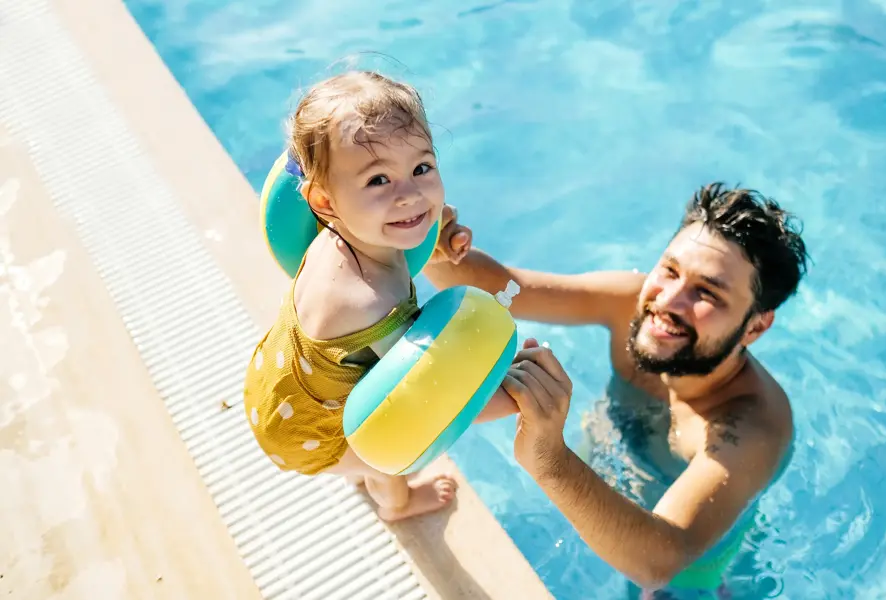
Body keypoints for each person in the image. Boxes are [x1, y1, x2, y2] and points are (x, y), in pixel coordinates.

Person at [423, 183, 809, 597]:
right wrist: (428, 245)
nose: (669, 302)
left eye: (707, 293)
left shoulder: (751, 424)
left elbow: (660, 560)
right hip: (603, 486)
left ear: (756, 326)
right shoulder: (631, 303)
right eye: (670, 270)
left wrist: (547, 457)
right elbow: (502, 288)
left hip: (688, 574)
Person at [242, 71, 517, 522]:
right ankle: (397, 507)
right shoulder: (370, 303)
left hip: (273, 386)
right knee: (384, 457)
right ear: (325, 201)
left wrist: (439, 238)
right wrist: (511, 392)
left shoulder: (335, 232)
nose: (410, 196)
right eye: (378, 181)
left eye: (421, 168)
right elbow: (424, 398)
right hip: (309, 433)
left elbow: (406, 225)